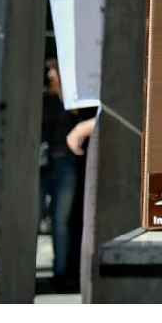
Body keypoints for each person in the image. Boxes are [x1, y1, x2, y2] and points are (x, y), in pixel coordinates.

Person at [39, 50, 92, 294]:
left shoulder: (68, 98)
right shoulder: (42, 99)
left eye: (54, 70)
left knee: (61, 221)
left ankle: (60, 274)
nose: (50, 74)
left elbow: (75, 113)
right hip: (42, 165)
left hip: (65, 164)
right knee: (39, 218)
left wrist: (62, 88)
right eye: (48, 70)